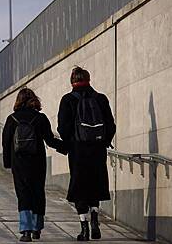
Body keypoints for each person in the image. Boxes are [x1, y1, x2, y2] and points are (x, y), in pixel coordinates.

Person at [57, 67, 116, 241]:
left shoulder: (68, 100)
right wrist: (104, 142)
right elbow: (110, 125)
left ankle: (84, 229)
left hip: (77, 151)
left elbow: (63, 127)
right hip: (97, 150)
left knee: (79, 188)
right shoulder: (100, 98)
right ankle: (95, 219)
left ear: (72, 81)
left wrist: (68, 144)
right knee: (95, 185)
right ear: (88, 79)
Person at [2, 88, 66, 242]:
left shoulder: (11, 119)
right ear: (34, 100)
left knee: (23, 194)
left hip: (19, 162)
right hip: (37, 162)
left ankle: (26, 231)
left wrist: (8, 163)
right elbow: (50, 140)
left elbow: (6, 143)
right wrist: (67, 148)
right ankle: (37, 228)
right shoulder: (40, 118)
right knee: (37, 192)